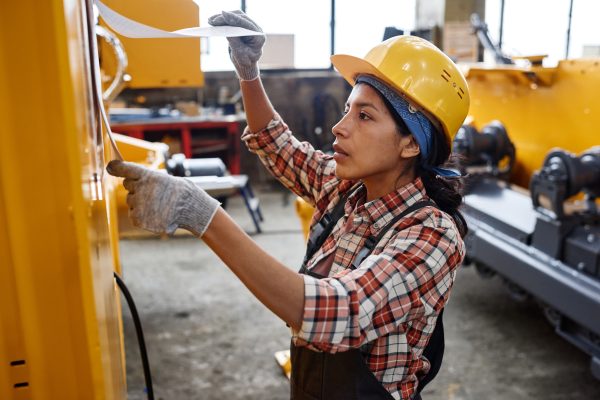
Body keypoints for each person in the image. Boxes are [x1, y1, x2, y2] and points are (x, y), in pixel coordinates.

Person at [107, 10, 470, 400]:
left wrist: (204, 216)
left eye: (365, 116)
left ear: (411, 143)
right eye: (348, 109)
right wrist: (249, 73)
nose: (340, 126)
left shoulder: (432, 237)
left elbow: (339, 313)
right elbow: (277, 145)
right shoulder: (346, 188)